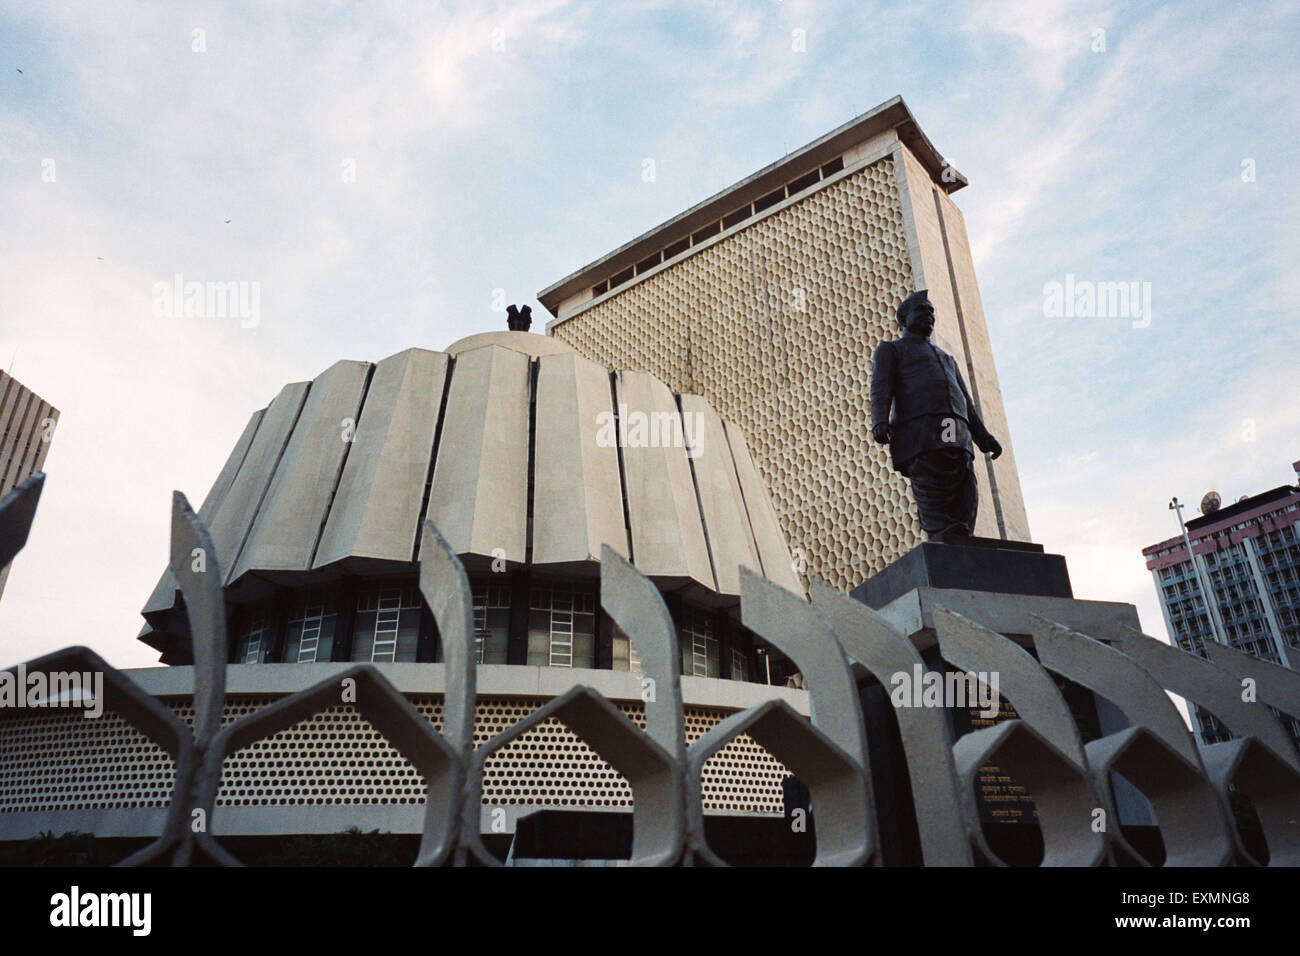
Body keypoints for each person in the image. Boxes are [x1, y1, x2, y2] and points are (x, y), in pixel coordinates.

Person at [869, 289, 1002, 538]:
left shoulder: (946, 357)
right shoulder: (892, 350)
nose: (929, 315)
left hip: (954, 426)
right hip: (921, 427)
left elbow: (966, 401)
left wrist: (983, 437)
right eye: (922, 310)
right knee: (931, 476)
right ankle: (943, 534)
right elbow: (881, 386)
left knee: (964, 477)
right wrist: (879, 420)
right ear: (903, 319)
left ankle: (961, 535)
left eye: (932, 311)